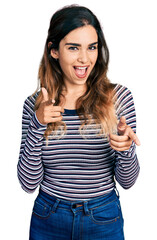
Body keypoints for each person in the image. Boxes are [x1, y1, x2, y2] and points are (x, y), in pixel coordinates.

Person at [17, 5, 140, 240]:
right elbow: (28, 183)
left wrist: (126, 150)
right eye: (73, 48)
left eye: (92, 47)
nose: (84, 58)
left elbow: (128, 182)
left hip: (103, 217)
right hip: (48, 217)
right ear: (54, 51)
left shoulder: (119, 99)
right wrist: (37, 124)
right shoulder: (35, 105)